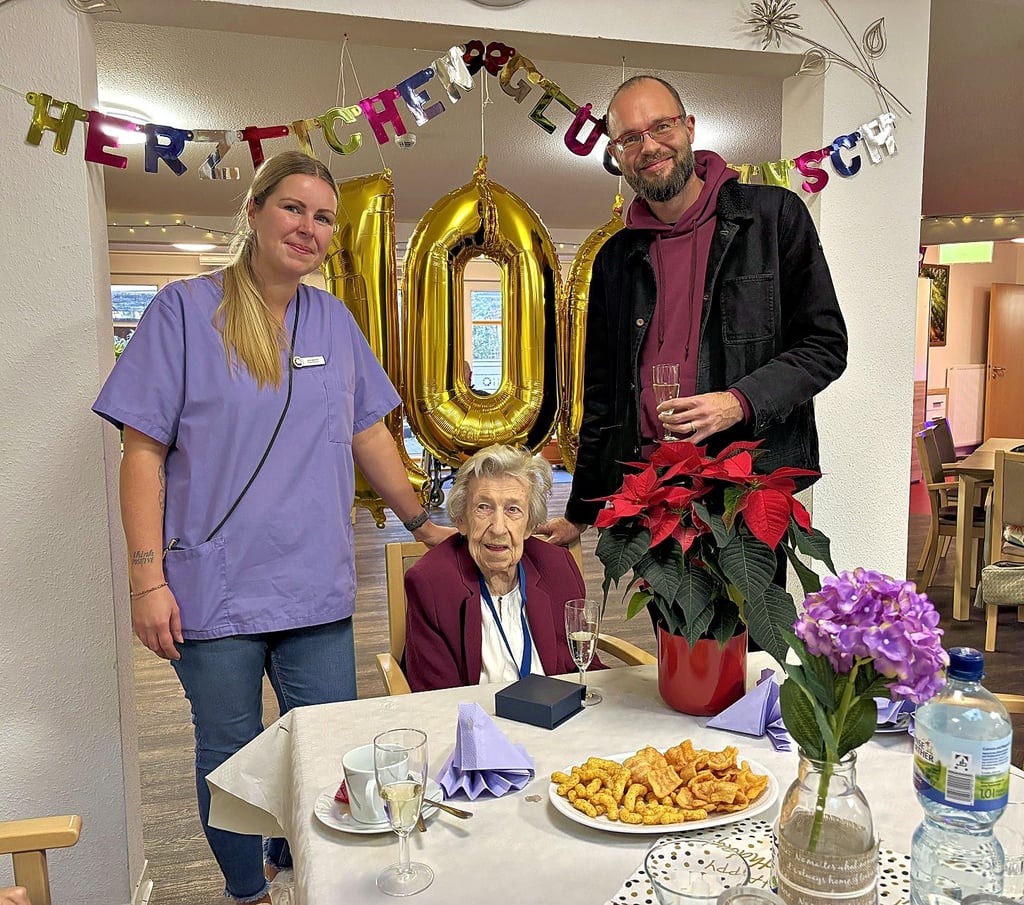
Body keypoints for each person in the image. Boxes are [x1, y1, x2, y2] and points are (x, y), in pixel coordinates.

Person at [93, 151, 452, 904]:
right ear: (253, 212)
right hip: (210, 588)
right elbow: (141, 452)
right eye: (293, 208)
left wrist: (424, 523)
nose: (309, 227)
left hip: (313, 586)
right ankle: (245, 889)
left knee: (321, 749)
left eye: (323, 217)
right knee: (230, 755)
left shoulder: (333, 319)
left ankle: (311, 875)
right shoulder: (183, 311)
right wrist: (145, 579)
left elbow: (370, 434)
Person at [537, 75, 848, 545]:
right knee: (665, 623)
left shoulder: (773, 217)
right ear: (617, 155)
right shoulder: (614, 259)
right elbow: (602, 397)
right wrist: (580, 511)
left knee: (753, 619)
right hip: (645, 493)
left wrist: (735, 403)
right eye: (630, 138)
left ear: (690, 128)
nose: (650, 146)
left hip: (743, 490)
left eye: (661, 126)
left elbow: (825, 345)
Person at [404, 445, 599, 691]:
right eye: (483, 507)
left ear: (530, 526)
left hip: (557, 722)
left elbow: (585, 672)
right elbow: (436, 700)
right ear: (462, 520)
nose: (498, 527)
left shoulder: (558, 568)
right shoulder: (431, 584)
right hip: (475, 723)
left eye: (513, 510)